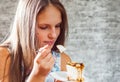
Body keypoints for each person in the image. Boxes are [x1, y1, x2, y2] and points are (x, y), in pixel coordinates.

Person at [0, 0, 71, 82]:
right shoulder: (3, 57)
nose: (53, 35)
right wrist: (38, 76)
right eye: (44, 27)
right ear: (25, 26)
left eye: (57, 26)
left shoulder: (63, 61)